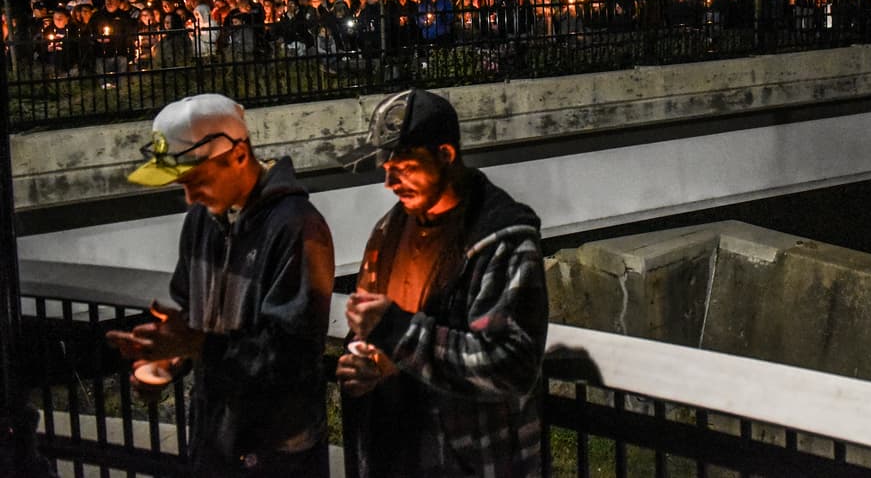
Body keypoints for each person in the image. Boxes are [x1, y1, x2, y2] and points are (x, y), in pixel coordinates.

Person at [106, 94, 335, 477]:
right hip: (215, 440)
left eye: (197, 180)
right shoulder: (202, 219)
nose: (190, 197)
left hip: (278, 453)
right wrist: (167, 358)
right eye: (183, 184)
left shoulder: (297, 228)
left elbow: (292, 356)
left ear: (239, 156)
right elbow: (191, 313)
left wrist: (196, 344)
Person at [336, 89, 548, 477]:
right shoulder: (388, 231)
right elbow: (375, 334)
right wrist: (364, 360)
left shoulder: (500, 239)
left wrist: (396, 332)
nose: (390, 183)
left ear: (446, 156)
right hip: (394, 454)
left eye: (404, 166)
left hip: (468, 459)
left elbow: (510, 364)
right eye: (386, 169)